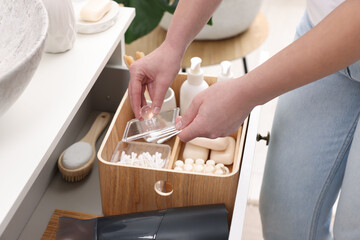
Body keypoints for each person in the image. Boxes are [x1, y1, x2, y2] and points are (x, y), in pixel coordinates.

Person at [128, 0, 360, 239]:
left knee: (353, 229)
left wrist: (245, 94)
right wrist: (172, 45)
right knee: (285, 220)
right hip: (321, 29)